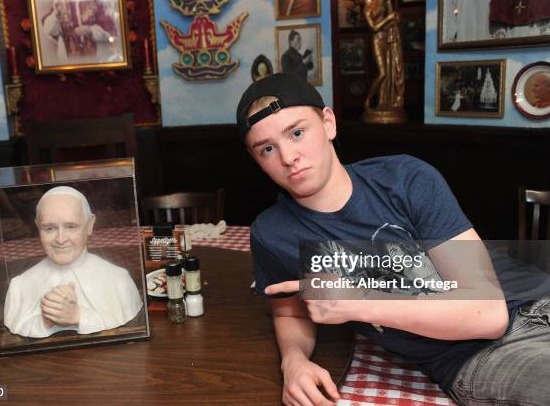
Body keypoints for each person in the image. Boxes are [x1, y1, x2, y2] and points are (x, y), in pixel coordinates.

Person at [235, 72, 550, 406]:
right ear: (257, 161)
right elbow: (291, 314)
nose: (288, 157)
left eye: (297, 133)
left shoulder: (405, 179)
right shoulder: (273, 235)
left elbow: (487, 311)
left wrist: (356, 300)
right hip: (484, 354)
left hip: (537, 297)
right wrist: (294, 361)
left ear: (328, 123)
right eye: (267, 148)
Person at [4, 186, 142, 338]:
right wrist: (47, 319)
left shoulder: (118, 280)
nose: (61, 239)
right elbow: (15, 330)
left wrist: (78, 316)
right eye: (49, 228)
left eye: (71, 227)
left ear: (89, 225)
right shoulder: (20, 286)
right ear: (38, 227)